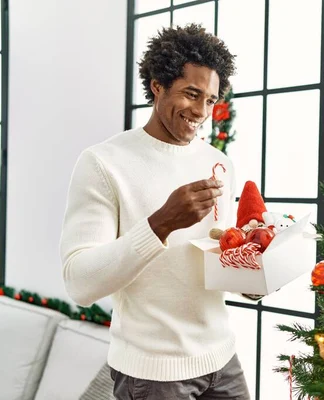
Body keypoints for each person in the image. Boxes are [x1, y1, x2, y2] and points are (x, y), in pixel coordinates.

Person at [60, 24, 251, 399]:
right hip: (151, 377)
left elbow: (217, 258)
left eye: (210, 100)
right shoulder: (103, 163)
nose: (201, 112)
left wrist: (254, 278)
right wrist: (161, 223)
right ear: (157, 85)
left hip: (222, 360)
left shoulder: (218, 163)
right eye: (191, 94)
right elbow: (79, 284)